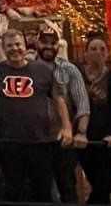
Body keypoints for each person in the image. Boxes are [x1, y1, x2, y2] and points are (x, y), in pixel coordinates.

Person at [0, 29, 73, 203]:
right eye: (9, 46)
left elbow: (59, 99)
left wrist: (66, 127)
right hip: (10, 143)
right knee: (14, 192)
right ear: (3, 48)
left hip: (40, 142)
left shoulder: (43, 70)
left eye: (18, 44)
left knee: (43, 191)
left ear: (25, 45)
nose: (14, 49)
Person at [37, 28, 90, 204]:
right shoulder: (29, 68)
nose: (48, 46)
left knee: (67, 186)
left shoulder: (69, 69)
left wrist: (81, 132)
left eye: (52, 43)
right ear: (37, 43)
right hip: (37, 138)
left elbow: (82, 104)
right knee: (41, 188)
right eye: (44, 42)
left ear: (58, 45)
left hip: (64, 139)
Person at [80, 35, 111, 205]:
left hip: (109, 140)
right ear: (85, 54)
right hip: (85, 140)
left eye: (102, 49)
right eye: (93, 49)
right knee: (97, 185)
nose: (97, 52)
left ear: (107, 54)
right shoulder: (78, 77)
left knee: (105, 186)